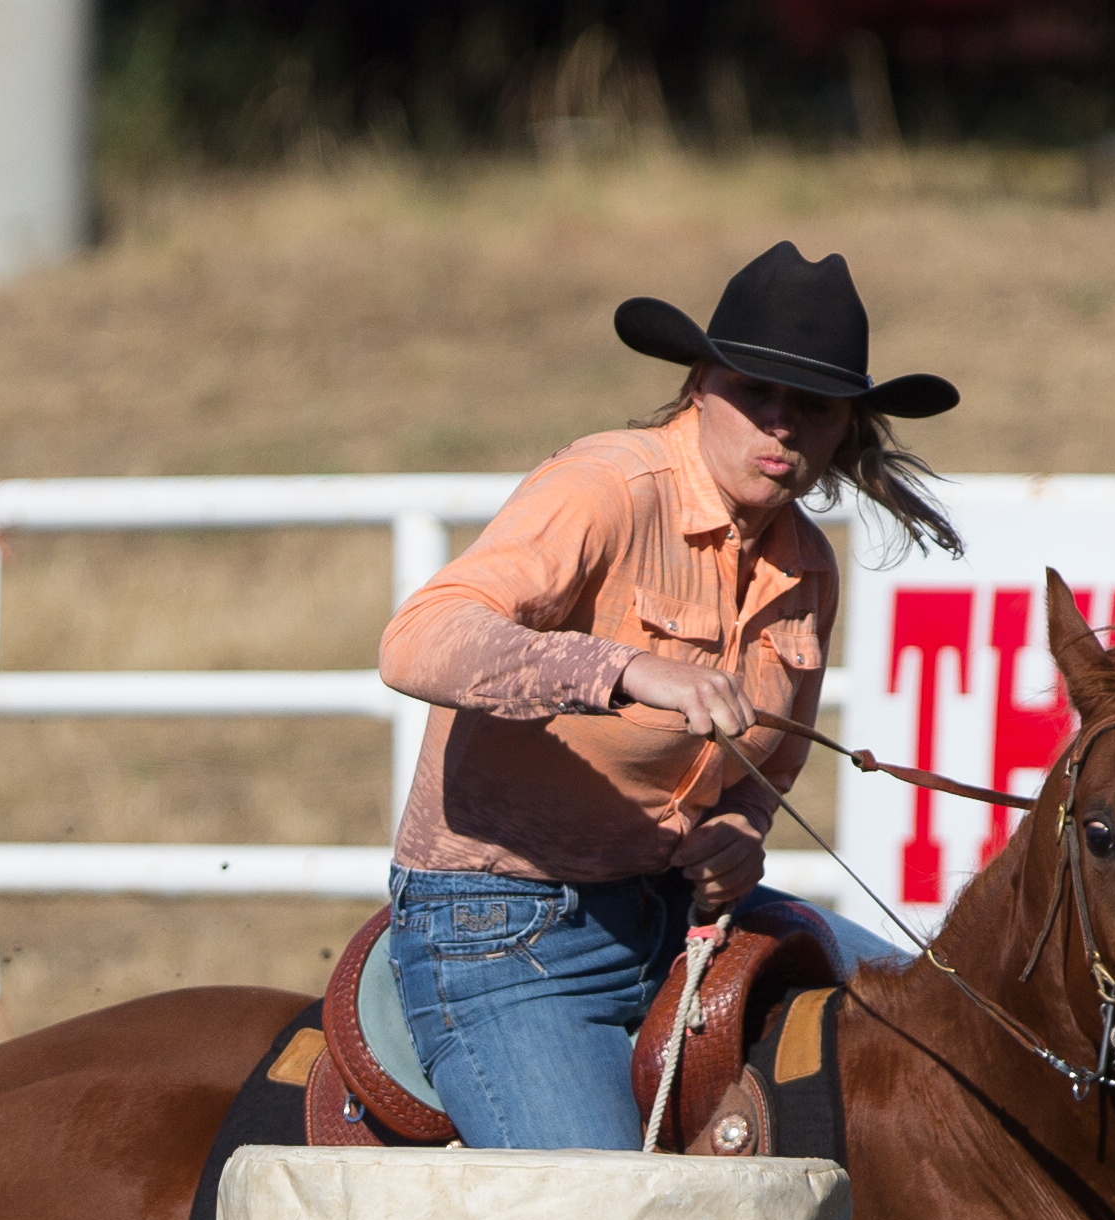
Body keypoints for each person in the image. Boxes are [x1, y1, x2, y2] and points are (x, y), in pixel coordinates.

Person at [375, 242, 960, 1151]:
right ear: (700, 385)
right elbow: (418, 639)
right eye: (755, 393)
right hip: (500, 926)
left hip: (676, 911)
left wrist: (738, 835)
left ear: (847, 426)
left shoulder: (806, 563)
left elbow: (767, 767)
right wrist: (620, 671)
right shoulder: (605, 487)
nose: (781, 427)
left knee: (939, 1043)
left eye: (812, 407)